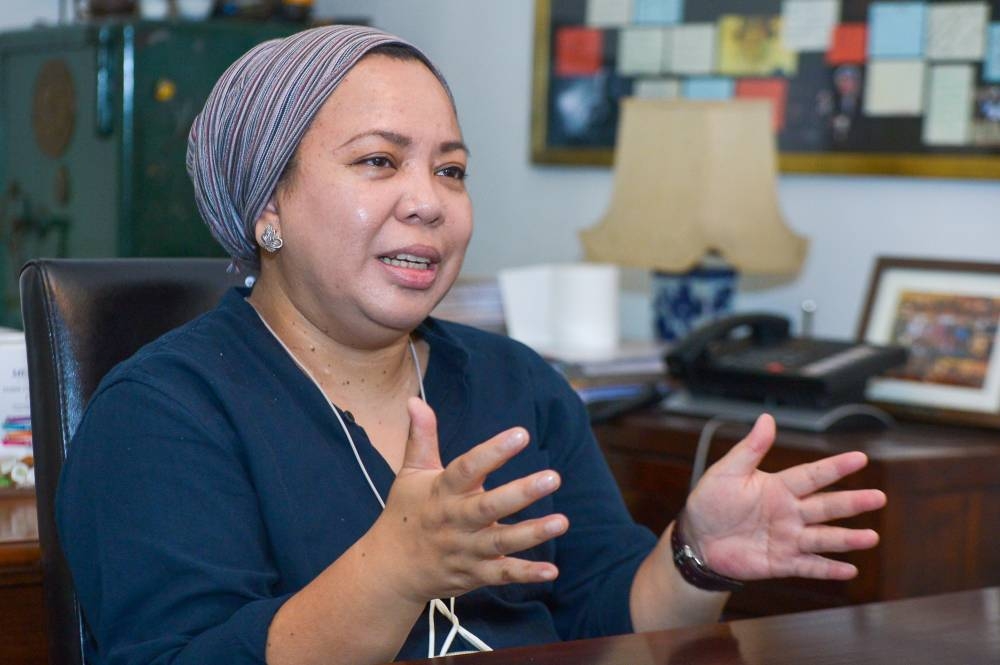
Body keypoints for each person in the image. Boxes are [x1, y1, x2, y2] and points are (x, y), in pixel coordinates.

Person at [56, 24, 887, 665]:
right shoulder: (162, 414)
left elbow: (605, 620)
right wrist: (396, 568)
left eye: (450, 170)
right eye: (380, 161)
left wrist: (696, 556)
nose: (428, 201)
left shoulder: (515, 383)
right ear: (265, 208)